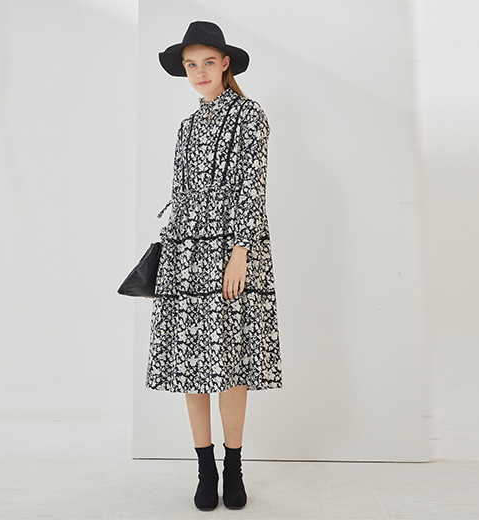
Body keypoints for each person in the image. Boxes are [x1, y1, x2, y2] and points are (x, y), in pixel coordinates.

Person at [145, 21, 282, 512]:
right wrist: (171, 251)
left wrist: (240, 252)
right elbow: (180, 193)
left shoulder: (248, 114)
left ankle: (234, 466)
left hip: (232, 247)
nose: (199, 72)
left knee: (232, 360)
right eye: (191, 65)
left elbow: (252, 185)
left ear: (225, 63)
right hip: (185, 251)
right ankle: (205, 468)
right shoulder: (186, 126)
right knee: (191, 362)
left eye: (207, 62)